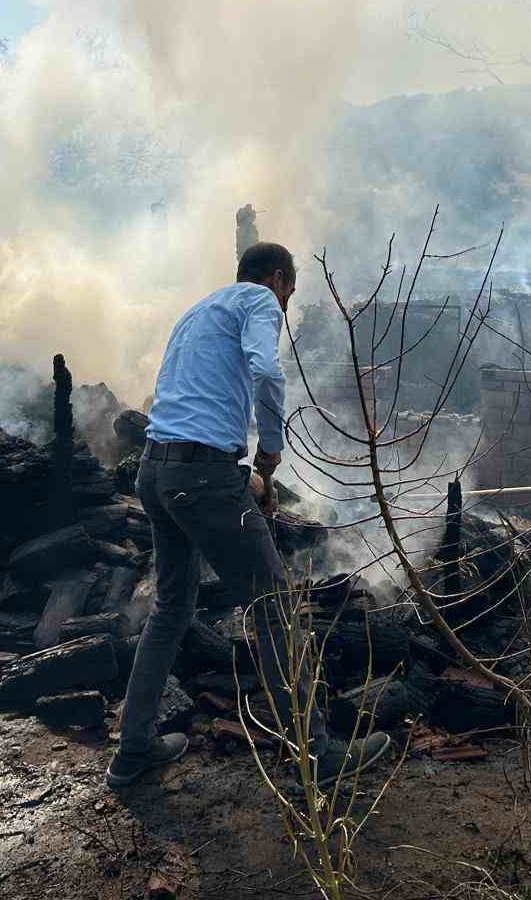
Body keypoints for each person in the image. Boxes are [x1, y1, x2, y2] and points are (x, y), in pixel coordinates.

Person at [109, 242, 391, 791]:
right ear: (279, 279)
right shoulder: (260, 302)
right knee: (274, 607)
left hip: (156, 471)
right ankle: (317, 753)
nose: (286, 306)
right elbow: (266, 370)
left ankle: (133, 748)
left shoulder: (199, 310)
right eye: (290, 291)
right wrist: (270, 450)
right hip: (203, 479)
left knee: (171, 608)